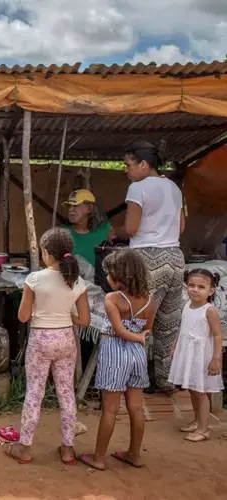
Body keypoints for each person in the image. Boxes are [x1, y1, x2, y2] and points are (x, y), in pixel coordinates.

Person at [5, 228, 90, 465]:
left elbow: (23, 317)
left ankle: (24, 448)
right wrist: (65, 315)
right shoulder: (77, 281)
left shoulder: (34, 279)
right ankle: (68, 449)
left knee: (35, 392)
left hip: (41, 340)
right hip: (65, 339)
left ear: (45, 253)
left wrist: (41, 312)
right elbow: (84, 320)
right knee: (66, 393)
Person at [111, 141, 186, 394]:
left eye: (128, 165)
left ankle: (135, 380)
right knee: (167, 323)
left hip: (146, 258)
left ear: (144, 165)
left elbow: (131, 229)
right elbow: (181, 228)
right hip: (175, 257)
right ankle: (164, 380)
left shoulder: (138, 187)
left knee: (137, 321)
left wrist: (115, 232)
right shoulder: (174, 188)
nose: (126, 170)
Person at [78, 249, 154, 471]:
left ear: (120, 276)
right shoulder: (149, 299)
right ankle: (134, 454)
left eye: (109, 274)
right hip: (138, 354)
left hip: (115, 353)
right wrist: (140, 337)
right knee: (136, 408)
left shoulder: (112, 299)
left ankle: (99, 458)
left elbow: (119, 331)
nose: (107, 278)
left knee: (110, 409)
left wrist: (135, 335)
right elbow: (149, 329)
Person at [168, 269, 224, 442]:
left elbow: (217, 335)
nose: (195, 289)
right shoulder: (187, 305)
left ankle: (203, 429)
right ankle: (196, 420)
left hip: (201, 356)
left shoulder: (210, 310)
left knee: (201, 392)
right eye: (191, 285)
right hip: (187, 353)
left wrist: (216, 358)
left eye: (201, 287)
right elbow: (183, 327)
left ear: (211, 291)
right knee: (193, 389)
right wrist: (176, 344)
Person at [64, 189, 111, 267]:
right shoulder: (63, 234)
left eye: (75, 205)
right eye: (69, 206)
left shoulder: (106, 229)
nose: (70, 209)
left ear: (89, 208)